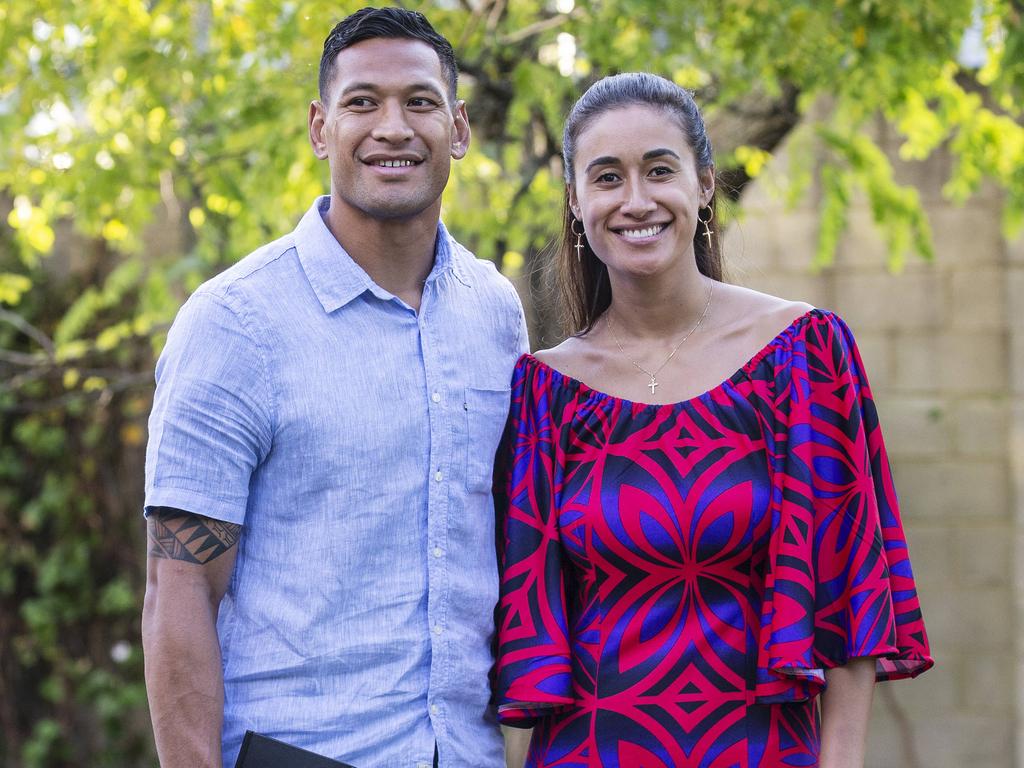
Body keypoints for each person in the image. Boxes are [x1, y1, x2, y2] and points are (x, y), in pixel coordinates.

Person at [493, 73, 932, 767]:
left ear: (703, 184)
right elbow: (529, 630)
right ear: (575, 203)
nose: (635, 200)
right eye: (606, 177)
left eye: (658, 170)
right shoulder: (545, 392)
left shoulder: (804, 355)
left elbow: (852, 597)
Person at [141, 7, 527, 768]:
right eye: (362, 102)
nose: (393, 127)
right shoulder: (235, 324)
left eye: (419, 101)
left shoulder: (495, 313)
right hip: (300, 752)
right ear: (321, 129)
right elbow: (178, 589)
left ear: (459, 128)